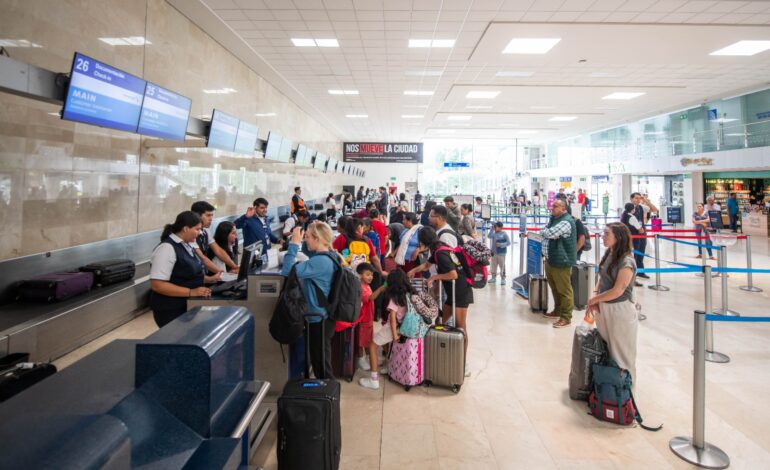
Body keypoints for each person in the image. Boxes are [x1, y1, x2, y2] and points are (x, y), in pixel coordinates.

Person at [408, 226, 473, 376]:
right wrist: (413, 271)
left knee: (461, 327)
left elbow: (453, 274)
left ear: (424, 241)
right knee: (442, 321)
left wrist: (434, 278)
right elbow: (427, 264)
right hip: (452, 292)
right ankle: (446, 350)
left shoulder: (441, 253)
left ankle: (464, 363)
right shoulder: (438, 249)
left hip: (461, 291)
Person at [281, 222, 338, 379]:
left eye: (307, 238)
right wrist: (307, 233)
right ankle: (324, 393)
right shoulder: (329, 255)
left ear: (317, 238)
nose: (305, 241)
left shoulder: (319, 262)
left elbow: (287, 271)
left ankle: (327, 396)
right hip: (324, 316)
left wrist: (293, 244)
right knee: (319, 358)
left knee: (321, 363)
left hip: (319, 318)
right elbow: (308, 250)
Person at [586, 222, 639, 383]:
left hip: (620, 309)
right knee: (607, 348)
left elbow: (618, 290)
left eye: (607, 233)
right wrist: (596, 296)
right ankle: (607, 388)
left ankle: (625, 392)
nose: (603, 236)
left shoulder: (627, 261)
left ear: (619, 237)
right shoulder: (610, 254)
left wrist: (594, 299)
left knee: (622, 354)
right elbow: (602, 278)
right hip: (605, 307)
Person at [149, 211, 221, 327]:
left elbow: (185, 273)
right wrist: (191, 292)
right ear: (186, 228)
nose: (199, 233)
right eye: (197, 229)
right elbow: (157, 284)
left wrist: (208, 279)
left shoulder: (187, 245)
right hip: (171, 309)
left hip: (187, 306)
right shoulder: (167, 248)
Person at [359, 269, 417, 390]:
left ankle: (373, 380)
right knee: (387, 345)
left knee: (373, 346)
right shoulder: (409, 293)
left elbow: (392, 318)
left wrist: (395, 334)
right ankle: (390, 366)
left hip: (393, 327)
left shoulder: (394, 298)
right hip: (404, 325)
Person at [540, 199, 577, 328]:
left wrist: (547, 233)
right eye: (552, 206)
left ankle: (566, 317)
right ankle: (558, 310)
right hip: (550, 259)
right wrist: (547, 233)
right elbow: (545, 231)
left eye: (555, 206)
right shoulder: (553, 219)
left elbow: (549, 232)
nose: (552, 208)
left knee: (564, 290)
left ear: (563, 208)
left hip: (562, 261)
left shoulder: (566, 221)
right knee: (555, 288)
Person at [354, 262, 386, 373]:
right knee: (361, 341)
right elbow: (370, 298)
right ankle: (361, 360)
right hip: (363, 320)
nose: (371, 277)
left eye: (371, 275)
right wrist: (381, 289)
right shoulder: (361, 287)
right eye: (367, 274)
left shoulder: (367, 286)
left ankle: (368, 358)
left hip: (368, 319)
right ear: (359, 275)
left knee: (367, 340)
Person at [190, 201, 229, 274]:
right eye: (208, 215)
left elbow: (218, 251)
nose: (211, 219)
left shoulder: (206, 231)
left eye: (212, 216)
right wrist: (223, 274)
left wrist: (234, 266)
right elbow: (202, 258)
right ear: (197, 216)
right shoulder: (190, 235)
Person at [630, 192, 657, 280]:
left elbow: (654, 209)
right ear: (631, 199)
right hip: (632, 233)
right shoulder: (628, 207)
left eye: (639, 198)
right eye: (636, 198)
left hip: (642, 233)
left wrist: (646, 200)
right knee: (632, 254)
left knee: (641, 252)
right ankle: (631, 273)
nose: (638, 200)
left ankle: (640, 272)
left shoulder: (641, 207)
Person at [620, 202, 644, 287]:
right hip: (634, 240)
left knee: (626, 258)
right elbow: (640, 229)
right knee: (634, 259)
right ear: (632, 209)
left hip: (625, 239)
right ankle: (632, 279)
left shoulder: (623, 215)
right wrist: (642, 230)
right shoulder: (632, 217)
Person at [489, 221, 510, 285]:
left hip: (501, 253)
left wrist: (501, 244)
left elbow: (508, 243)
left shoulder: (504, 234)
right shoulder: (494, 233)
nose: (495, 227)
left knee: (502, 266)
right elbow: (489, 236)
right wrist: (492, 229)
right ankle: (493, 278)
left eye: (496, 226)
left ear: (501, 227)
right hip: (494, 253)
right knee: (493, 266)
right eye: (495, 226)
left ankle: (503, 278)